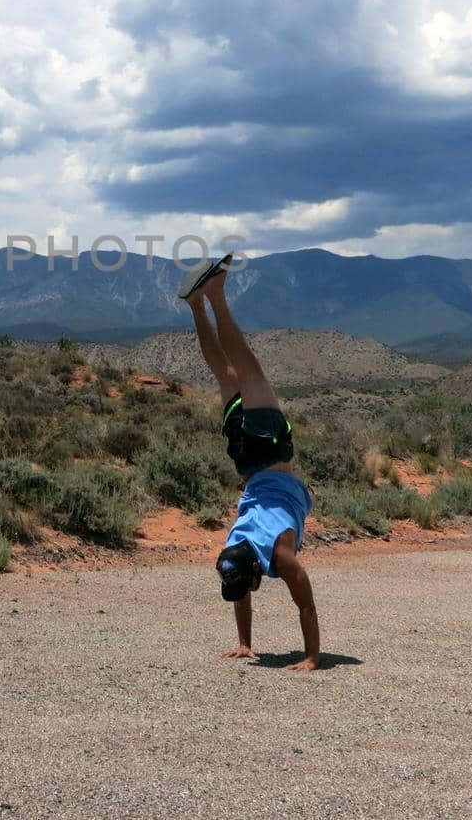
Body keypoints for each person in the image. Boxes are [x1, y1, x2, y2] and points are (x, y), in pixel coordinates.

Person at [178, 253, 320, 670]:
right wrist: (244, 642)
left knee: (250, 374)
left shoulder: (281, 555)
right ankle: (196, 305)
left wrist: (313, 657)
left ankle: (216, 296)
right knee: (228, 377)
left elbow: (306, 605)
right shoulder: (233, 547)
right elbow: (237, 582)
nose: (246, 591)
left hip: (270, 457)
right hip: (243, 462)